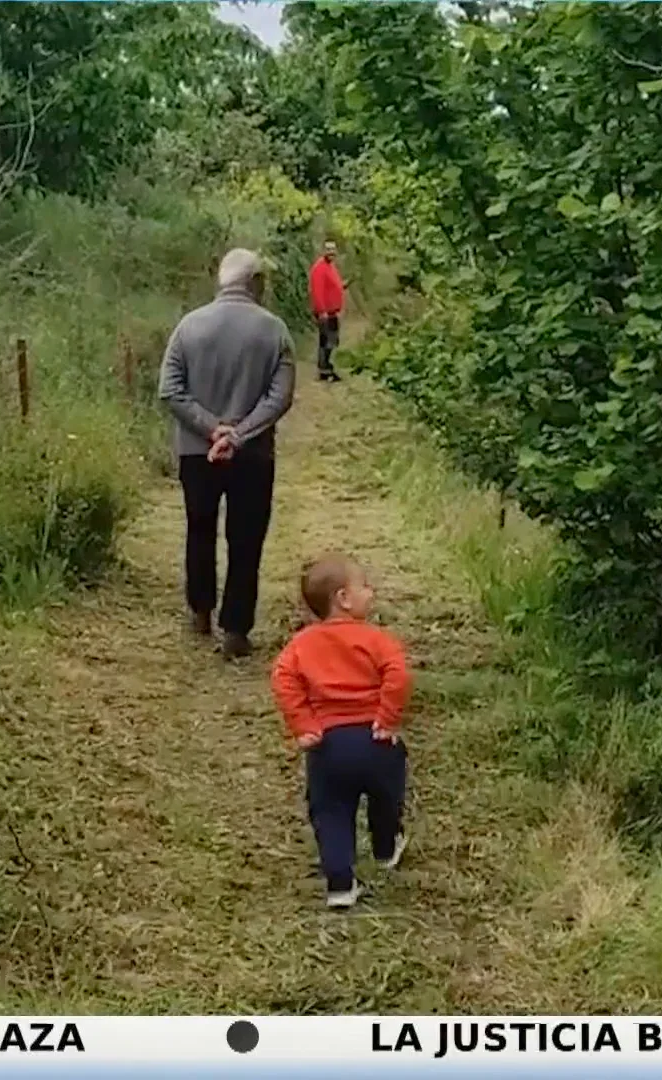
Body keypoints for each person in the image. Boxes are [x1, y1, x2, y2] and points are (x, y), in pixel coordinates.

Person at [158, 248, 297, 659]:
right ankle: (236, 629)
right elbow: (280, 397)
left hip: (195, 453)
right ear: (256, 283)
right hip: (253, 456)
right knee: (246, 537)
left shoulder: (188, 326)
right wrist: (238, 434)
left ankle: (201, 609)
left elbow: (171, 390)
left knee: (199, 528)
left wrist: (209, 427)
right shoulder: (275, 331)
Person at [271, 553, 413, 908]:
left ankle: (339, 883)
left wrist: (303, 724)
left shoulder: (301, 645)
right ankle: (385, 845)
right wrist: (387, 716)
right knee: (386, 796)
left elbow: (283, 678)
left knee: (330, 810)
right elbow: (397, 674)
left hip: (328, 744)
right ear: (343, 599)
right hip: (375, 740)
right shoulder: (377, 639)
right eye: (364, 585)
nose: (372, 590)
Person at [308, 241, 346, 382]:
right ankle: (324, 370)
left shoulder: (330, 267)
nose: (331, 252)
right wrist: (322, 310)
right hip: (325, 312)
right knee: (327, 341)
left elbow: (331, 286)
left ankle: (327, 368)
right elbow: (317, 291)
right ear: (323, 250)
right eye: (328, 249)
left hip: (333, 311)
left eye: (333, 249)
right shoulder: (319, 268)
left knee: (332, 340)